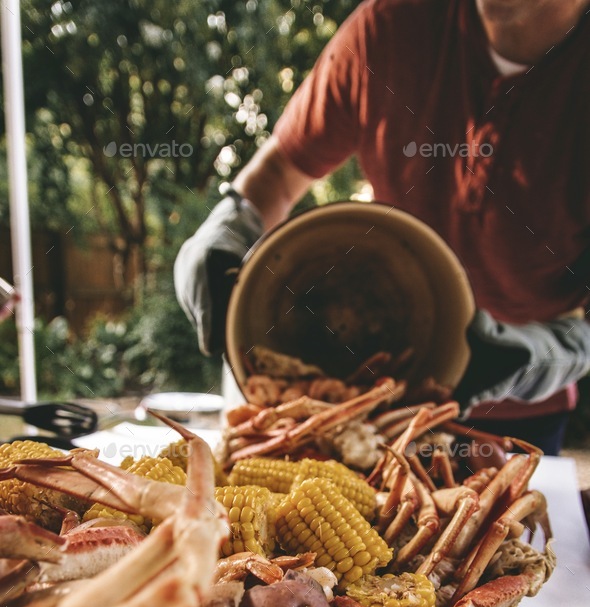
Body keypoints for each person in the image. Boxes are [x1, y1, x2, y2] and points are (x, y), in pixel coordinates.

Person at [175, 0, 590, 454]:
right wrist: (225, 231)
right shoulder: (391, 26)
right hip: (366, 411)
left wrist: (531, 358)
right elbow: (278, 173)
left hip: (515, 423)